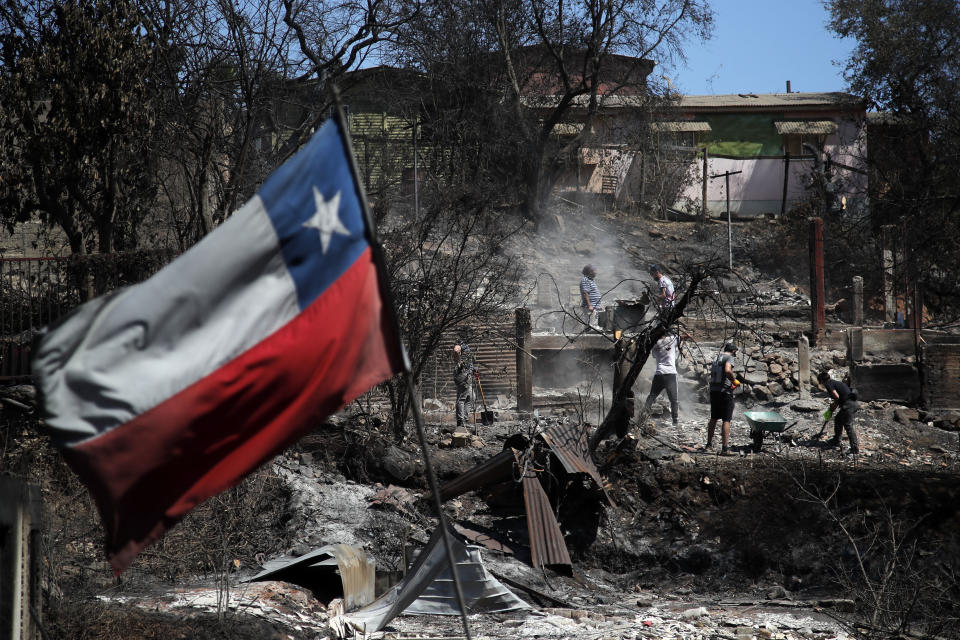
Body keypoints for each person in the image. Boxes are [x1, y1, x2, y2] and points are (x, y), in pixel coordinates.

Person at [707, 342, 740, 455]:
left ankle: (708, 445)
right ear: (733, 351)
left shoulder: (716, 357)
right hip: (724, 392)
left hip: (713, 391)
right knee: (726, 420)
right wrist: (734, 380)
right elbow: (727, 371)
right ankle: (725, 449)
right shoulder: (729, 357)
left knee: (714, 418)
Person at [818, 371, 860, 455]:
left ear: (822, 381)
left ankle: (854, 448)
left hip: (848, 405)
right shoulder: (835, 382)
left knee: (848, 425)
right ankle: (836, 440)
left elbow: (837, 396)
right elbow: (841, 396)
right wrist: (834, 406)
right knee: (838, 419)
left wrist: (833, 405)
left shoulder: (828, 384)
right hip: (852, 403)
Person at [644, 332, 681, 426]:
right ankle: (675, 421)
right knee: (674, 399)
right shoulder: (671, 339)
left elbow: (654, 355)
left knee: (652, 396)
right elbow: (682, 337)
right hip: (671, 374)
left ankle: (643, 414)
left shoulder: (654, 346)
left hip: (659, 373)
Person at [452, 344, 474, 428]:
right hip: (462, 376)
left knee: (471, 397)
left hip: (468, 375)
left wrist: (473, 369)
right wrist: (459, 362)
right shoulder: (462, 344)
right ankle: (461, 421)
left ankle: (465, 419)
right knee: (462, 398)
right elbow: (456, 350)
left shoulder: (467, 349)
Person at [580, 264, 602, 328]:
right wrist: (589, 305)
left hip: (594, 306)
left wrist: (598, 305)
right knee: (590, 325)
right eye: (595, 270)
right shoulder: (585, 280)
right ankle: (588, 335)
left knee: (593, 324)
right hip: (590, 306)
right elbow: (585, 293)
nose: (596, 272)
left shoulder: (591, 280)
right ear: (590, 272)